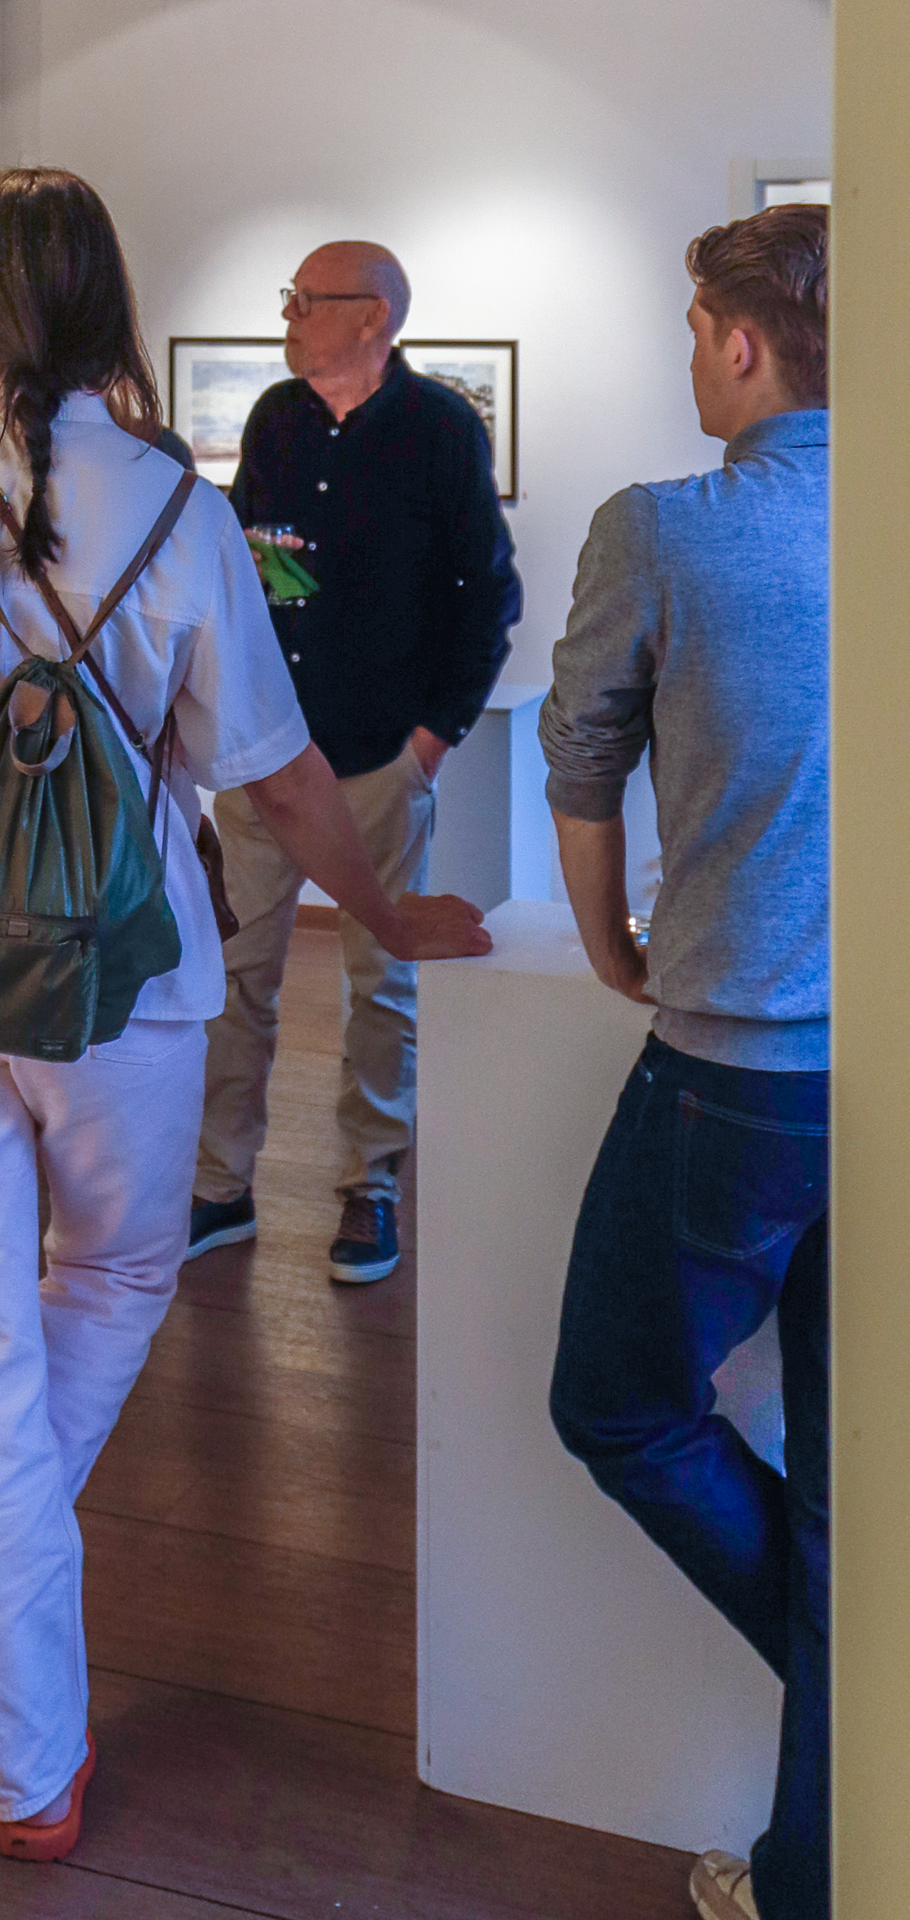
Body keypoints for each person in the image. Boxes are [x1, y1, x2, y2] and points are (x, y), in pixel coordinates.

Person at [0, 167, 491, 1861]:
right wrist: (384, 912)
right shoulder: (179, 510)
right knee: (114, 1274)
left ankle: (17, 1739)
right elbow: (279, 784)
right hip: (129, 991)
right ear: (109, 309)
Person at [542, 204, 829, 1920]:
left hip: (740, 1067)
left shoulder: (661, 527)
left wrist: (603, 943)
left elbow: (581, 759)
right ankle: (810, 1871)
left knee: (619, 1402)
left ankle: (858, 1693)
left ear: (735, 342)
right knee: (852, 1485)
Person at [189, 240, 522, 1283]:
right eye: (288, 298)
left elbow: (486, 596)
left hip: (382, 756)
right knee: (234, 974)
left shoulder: (441, 429)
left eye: (305, 300)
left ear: (372, 316)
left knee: (382, 979)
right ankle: (218, 1185)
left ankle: (369, 1186)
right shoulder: (276, 420)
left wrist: (432, 741)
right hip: (268, 751)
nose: (287, 316)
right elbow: (257, 561)